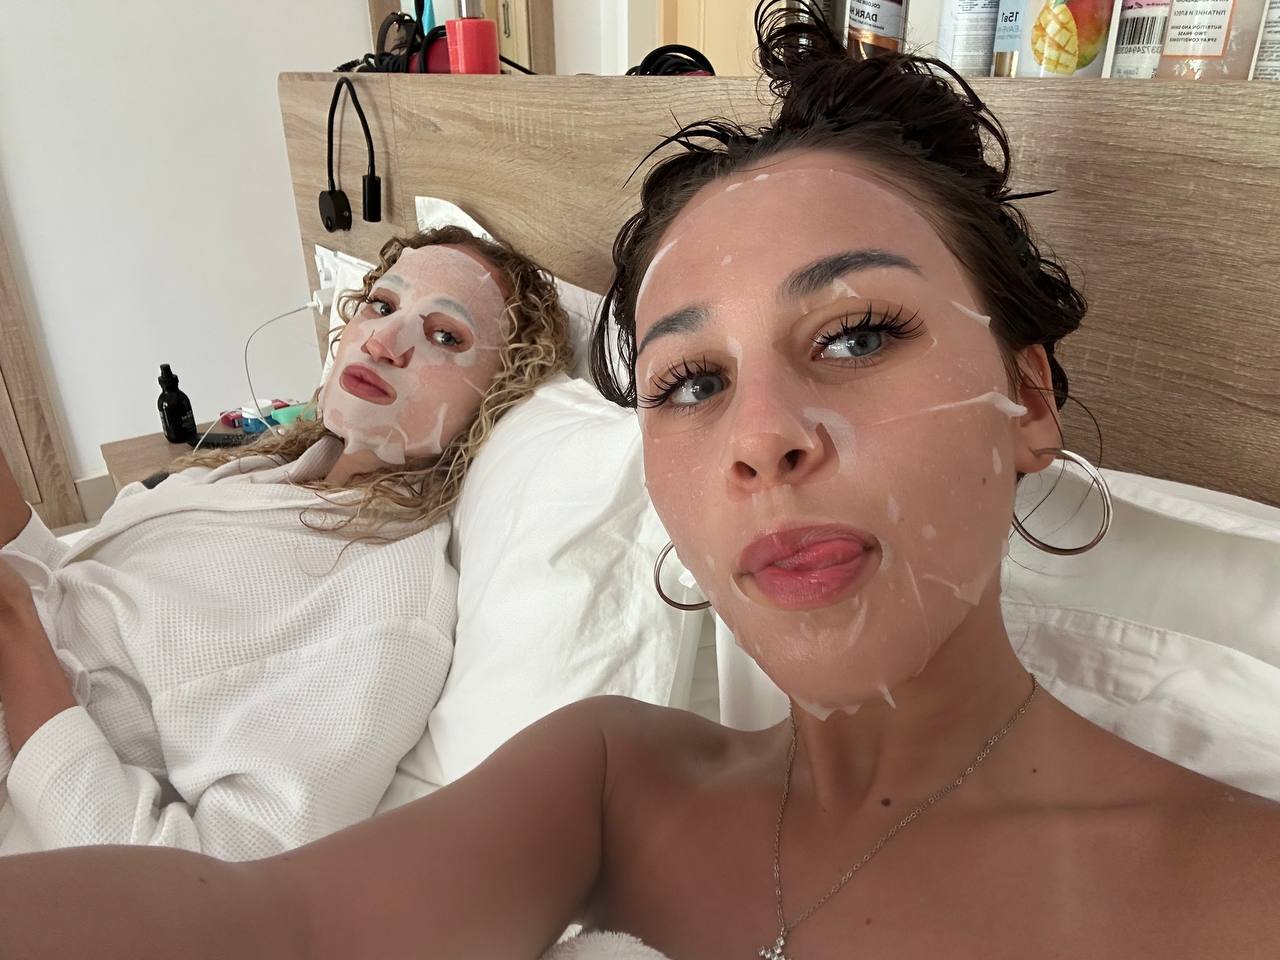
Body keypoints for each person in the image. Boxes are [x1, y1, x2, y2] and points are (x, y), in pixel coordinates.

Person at [1, 4, 1277, 956]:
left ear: (1027, 401)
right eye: (689, 382)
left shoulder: (1239, 891)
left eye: (852, 336)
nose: (759, 438)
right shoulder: (610, 781)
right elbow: (267, 928)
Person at [0, 225, 572, 860]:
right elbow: (75, 601)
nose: (383, 341)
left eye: (445, 336)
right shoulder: (268, 473)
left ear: (497, 394)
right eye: (381, 305)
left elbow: (198, 889)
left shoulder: (386, 606)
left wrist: (14, 626)